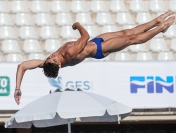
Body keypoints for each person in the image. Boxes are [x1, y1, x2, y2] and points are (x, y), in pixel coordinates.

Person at [14, 11, 175, 105]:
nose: (53, 56)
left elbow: (22, 66)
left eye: (50, 57)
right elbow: (85, 35)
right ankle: (161, 27)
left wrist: (17, 88)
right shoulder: (70, 54)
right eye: (54, 59)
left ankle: (156, 21)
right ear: (59, 66)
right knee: (132, 40)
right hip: (100, 48)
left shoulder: (48, 63)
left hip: (96, 41)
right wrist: (77, 25)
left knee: (129, 32)